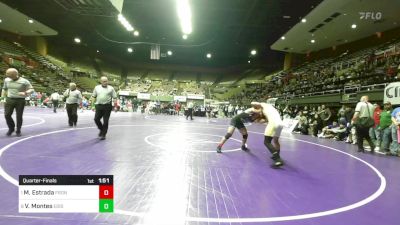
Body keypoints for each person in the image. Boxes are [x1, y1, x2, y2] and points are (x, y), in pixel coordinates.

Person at [1, 68, 34, 136]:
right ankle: (11, 128)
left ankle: (18, 130)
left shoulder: (24, 81)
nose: (6, 75)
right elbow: (4, 88)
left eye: (8, 74)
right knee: (7, 115)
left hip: (20, 100)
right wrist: (2, 98)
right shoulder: (7, 80)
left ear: (14, 74)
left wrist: (25, 92)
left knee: (19, 116)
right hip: (9, 99)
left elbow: (31, 89)